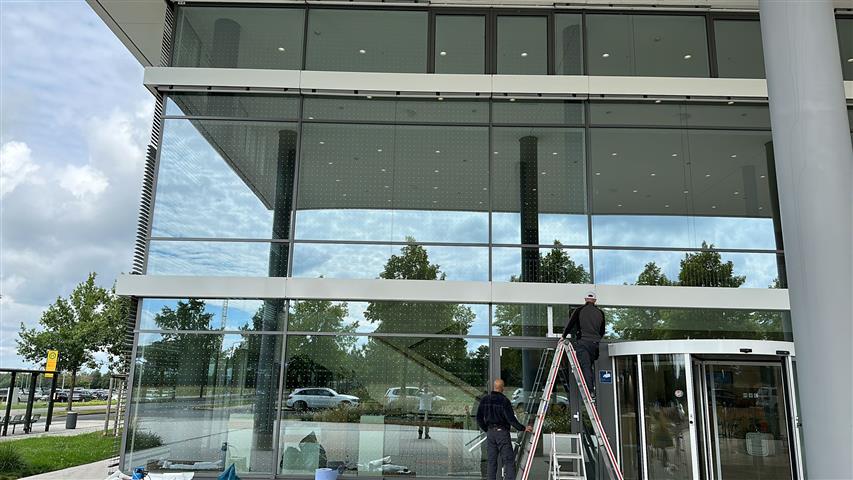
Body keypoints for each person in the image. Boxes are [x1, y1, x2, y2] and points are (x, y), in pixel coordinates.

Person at [476, 379, 533, 480]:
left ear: (494, 387)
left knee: (492, 462)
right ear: (502, 388)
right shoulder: (504, 401)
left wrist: (487, 429)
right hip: (502, 434)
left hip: (490, 433)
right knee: (508, 460)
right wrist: (523, 428)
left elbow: (479, 418)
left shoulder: (485, 400)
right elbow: (510, 419)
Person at [561, 291, 606, 402]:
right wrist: (597, 340)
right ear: (595, 300)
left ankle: (590, 391)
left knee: (585, 367)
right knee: (589, 366)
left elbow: (570, 324)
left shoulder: (579, 310)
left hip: (583, 342)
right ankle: (592, 390)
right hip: (594, 345)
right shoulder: (600, 313)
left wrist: (563, 336)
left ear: (585, 299)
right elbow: (602, 330)